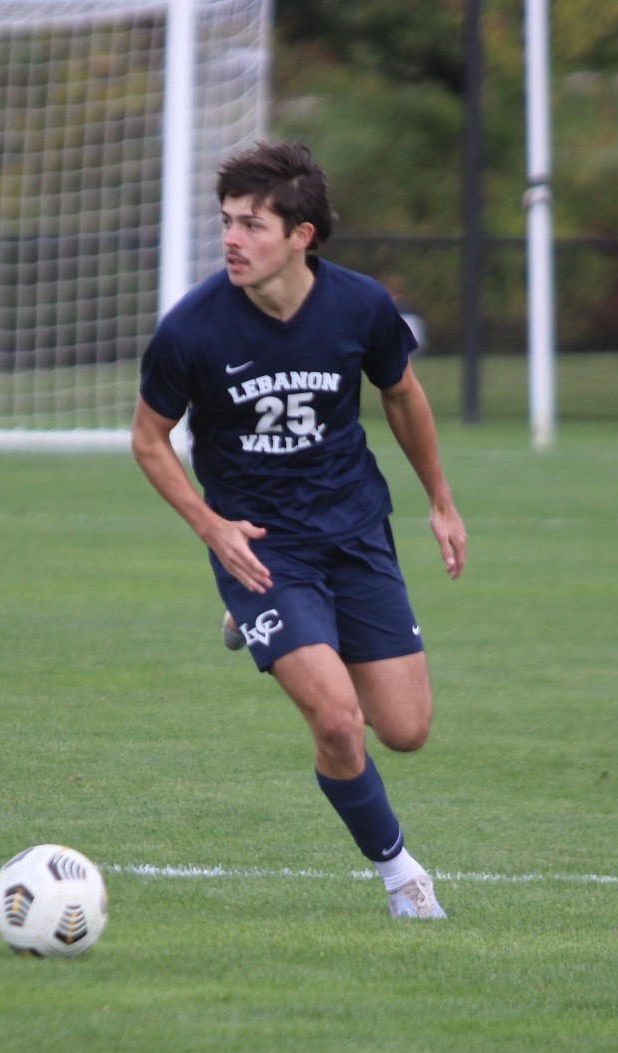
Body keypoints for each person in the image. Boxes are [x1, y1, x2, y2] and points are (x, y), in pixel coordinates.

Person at [131, 142, 468, 919]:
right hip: (260, 546)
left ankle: (275, 630)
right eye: (226, 222)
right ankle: (399, 874)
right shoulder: (192, 329)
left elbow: (403, 395)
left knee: (406, 730)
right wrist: (210, 525)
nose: (231, 239)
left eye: (252, 224)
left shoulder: (359, 307)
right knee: (338, 719)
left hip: (353, 529)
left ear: (301, 235)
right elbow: (150, 438)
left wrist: (440, 501)